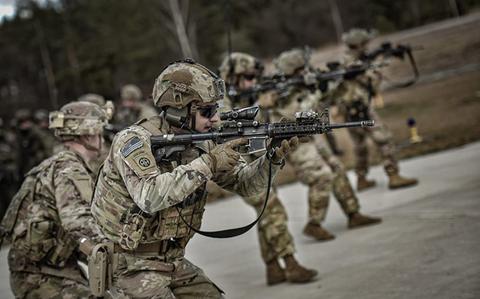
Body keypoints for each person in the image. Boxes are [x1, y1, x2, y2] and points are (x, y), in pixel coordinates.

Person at [91, 59, 299, 298]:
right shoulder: (133, 140)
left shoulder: (202, 138)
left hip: (172, 259)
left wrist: (271, 159)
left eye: (215, 110)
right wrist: (210, 162)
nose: (215, 119)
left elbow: (244, 183)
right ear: (179, 110)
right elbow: (149, 196)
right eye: (206, 111)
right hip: (130, 265)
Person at [218, 52, 318, 285]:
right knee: (272, 207)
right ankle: (290, 263)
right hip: (232, 167)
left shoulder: (248, 94)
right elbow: (225, 128)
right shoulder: (220, 100)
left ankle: (273, 267)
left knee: (265, 209)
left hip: (252, 163)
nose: (253, 82)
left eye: (254, 77)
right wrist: (258, 105)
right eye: (248, 77)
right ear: (233, 77)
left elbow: (261, 128)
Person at [270, 48, 382, 241]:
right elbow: (296, 113)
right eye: (301, 70)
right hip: (296, 142)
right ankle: (314, 224)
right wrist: (315, 91)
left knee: (337, 168)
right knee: (321, 176)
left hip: (312, 136)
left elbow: (327, 99)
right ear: (292, 71)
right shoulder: (282, 92)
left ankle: (353, 213)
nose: (306, 72)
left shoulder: (303, 86)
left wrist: (336, 81)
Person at [2, 101, 108, 298]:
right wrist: (117, 253)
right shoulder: (70, 168)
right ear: (88, 134)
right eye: (100, 132)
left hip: (53, 268)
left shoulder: (58, 161)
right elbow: (79, 223)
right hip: (39, 275)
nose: (102, 138)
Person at [337, 28, 418, 191]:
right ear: (358, 44)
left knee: (360, 147)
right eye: (364, 44)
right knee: (384, 140)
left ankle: (361, 178)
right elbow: (370, 81)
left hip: (350, 111)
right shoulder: (353, 64)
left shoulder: (350, 60)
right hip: (361, 110)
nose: (367, 47)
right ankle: (393, 175)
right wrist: (380, 63)